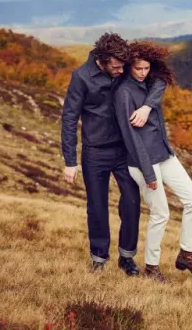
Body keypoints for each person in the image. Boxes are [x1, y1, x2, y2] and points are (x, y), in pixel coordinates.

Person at [61, 33, 166, 276]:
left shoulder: (123, 66)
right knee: (96, 206)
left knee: (131, 202)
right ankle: (99, 257)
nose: (121, 71)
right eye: (116, 67)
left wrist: (147, 105)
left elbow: (160, 80)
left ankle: (127, 257)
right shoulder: (81, 77)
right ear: (102, 60)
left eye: (123, 67)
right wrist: (70, 161)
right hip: (94, 152)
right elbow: (69, 118)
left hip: (124, 150)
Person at [114, 41, 192, 282]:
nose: (143, 73)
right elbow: (131, 137)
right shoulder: (124, 93)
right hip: (142, 162)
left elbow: (160, 83)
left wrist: (147, 107)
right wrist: (148, 174)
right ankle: (151, 267)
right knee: (161, 214)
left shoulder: (150, 82)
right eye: (138, 69)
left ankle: (186, 255)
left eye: (147, 68)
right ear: (129, 68)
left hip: (164, 154)